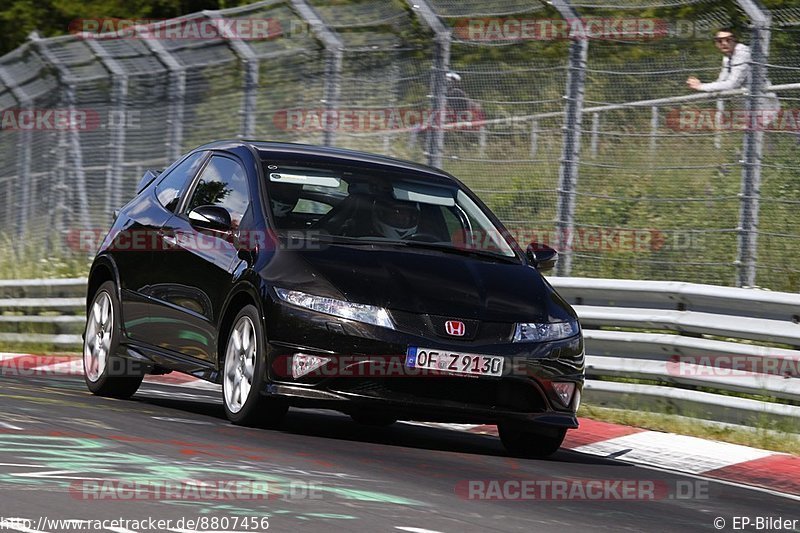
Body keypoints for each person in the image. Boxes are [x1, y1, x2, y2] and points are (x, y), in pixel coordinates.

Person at [687, 28, 779, 128]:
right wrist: (702, 85)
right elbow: (722, 80)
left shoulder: (742, 53)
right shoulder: (727, 57)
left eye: (728, 39)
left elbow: (732, 83)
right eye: (719, 41)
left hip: (762, 105)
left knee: (761, 139)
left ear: (735, 40)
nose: (724, 43)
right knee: (756, 140)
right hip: (749, 108)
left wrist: (701, 86)